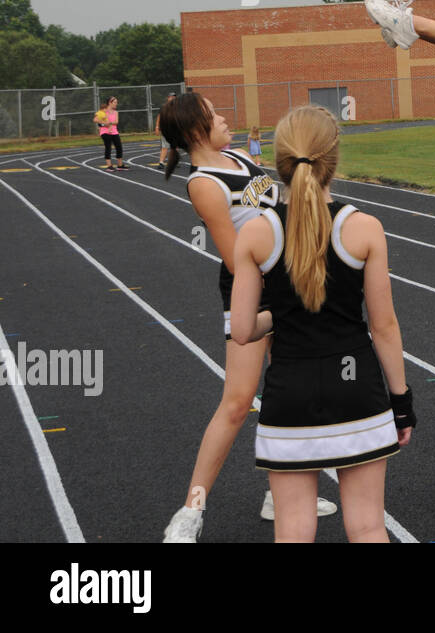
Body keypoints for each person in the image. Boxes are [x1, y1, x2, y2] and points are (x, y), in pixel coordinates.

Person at [229, 105, 414, 542]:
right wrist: (402, 401)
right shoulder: (365, 228)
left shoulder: (255, 232)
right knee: (368, 526)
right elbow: (383, 326)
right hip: (357, 389)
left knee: (293, 530)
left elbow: (240, 330)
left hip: (289, 393)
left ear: (281, 162)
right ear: (333, 158)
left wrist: (285, 312)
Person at [158, 93, 337, 542]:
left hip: (286, 280)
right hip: (253, 290)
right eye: (214, 113)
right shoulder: (204, 183)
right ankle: (191, 511)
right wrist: (279, 294)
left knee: (292, 387)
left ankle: (280, 494)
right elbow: (237, 260)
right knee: (237, 402)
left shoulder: (237, 157)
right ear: (197, 129)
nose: (224, 118)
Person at [97, 97, 127, 171]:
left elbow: (116, 122)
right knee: (108, 148)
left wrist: (109, 123)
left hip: (114, 132)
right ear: (110, 103)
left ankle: (120, 165)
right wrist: (106, 124)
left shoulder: (116, 112)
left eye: (116, 102)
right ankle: (109, 166)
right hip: (105, 132)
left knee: (119, 147)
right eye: (115, 102)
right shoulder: (103, 112)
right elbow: (99, 123)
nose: (116, 104)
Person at [155, 93, 176, 166]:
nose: (172, 98)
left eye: (174, 97)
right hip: (166, 129)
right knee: (165, 146)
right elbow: (159, 117)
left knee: (174, 147)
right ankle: (161, 162)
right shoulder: (164, 107)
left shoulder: (177, 107)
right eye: (171, 97)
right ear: (168, 98)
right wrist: (157, 127)